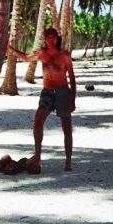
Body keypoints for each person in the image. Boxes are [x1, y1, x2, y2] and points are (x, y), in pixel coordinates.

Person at [10, 27, 76, 171]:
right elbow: (27, 58)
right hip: (47, 92)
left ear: (57, 39)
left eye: (54, 36)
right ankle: (38, 154)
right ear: (45, 39)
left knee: (66, 127)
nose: (52, 39)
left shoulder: (64, 55)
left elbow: (71, 77)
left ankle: (68, 161)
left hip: (63, 92)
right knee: (38, 120)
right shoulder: (42, 53)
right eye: (49, 36)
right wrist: (11, 49)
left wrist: (72, 99)